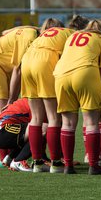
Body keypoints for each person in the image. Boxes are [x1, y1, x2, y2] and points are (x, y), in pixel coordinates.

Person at [54, 19, 101, 175]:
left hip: (61, 76)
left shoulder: (73, 36)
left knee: (67, 124)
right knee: (91, 122)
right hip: (85, 73)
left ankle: (67, 166)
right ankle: (93, 165)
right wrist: (93, 85)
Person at [0, 26, 38, 166]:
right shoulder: (31, 35)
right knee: (5, 112)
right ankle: (4, 158)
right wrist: (12, 99)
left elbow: (4, 32)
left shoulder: (33, 30)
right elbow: (17, 69)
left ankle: (16, 156)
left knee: (26, 113)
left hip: (6, 67)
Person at [21, 18, 75, 173]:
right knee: (53, 118)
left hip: (27, 59)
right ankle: (56, 163)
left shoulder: (41, 36)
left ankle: (37, 162)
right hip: (44, 61)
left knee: (36, 118)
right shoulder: (70, 33)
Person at [0, 98, 42, 172]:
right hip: (2, 131)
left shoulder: (32, 99)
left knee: (35, 129)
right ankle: (19, 160)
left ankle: (11, 157)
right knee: (40, 129)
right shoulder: (36, 102)